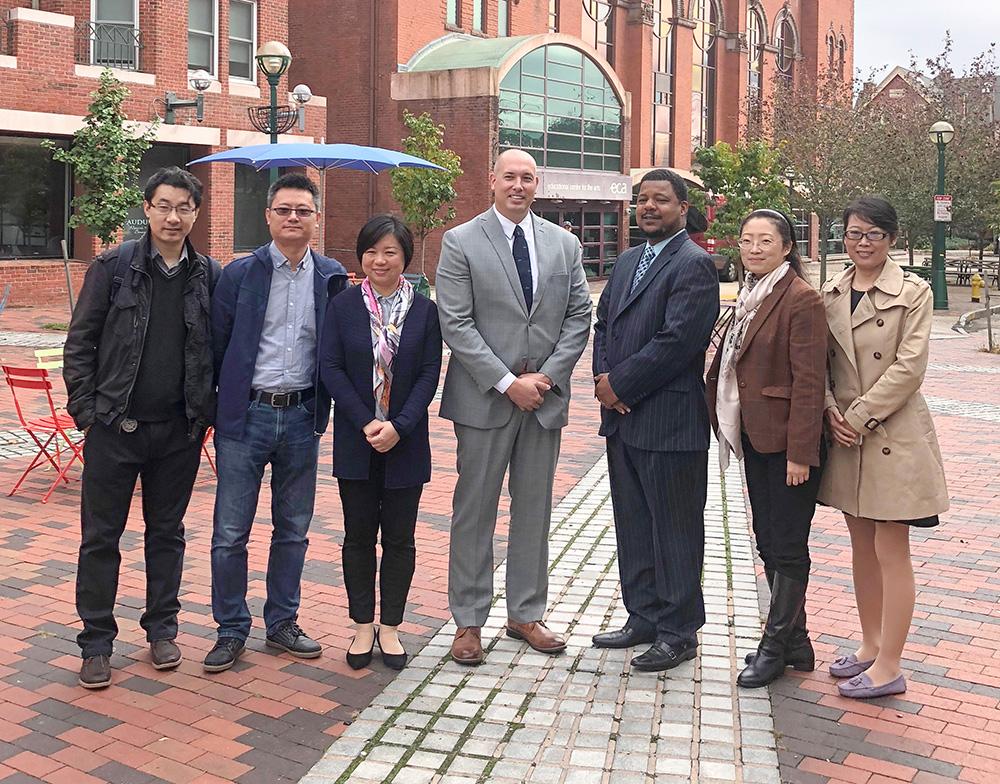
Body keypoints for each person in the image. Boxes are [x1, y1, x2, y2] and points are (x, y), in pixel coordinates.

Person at [63, 167, 219, 689]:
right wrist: (88, 412)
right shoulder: (112, 267)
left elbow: (215, 351)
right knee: (101, 538)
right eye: (164, 206)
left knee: (167, 534)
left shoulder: (208, 275)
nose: (174, 217)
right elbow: (79, 343)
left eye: (184, 208)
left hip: (178, 432)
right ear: (147, 208)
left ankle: (162, 629)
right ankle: (97, 643)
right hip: (115, 428)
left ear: (196, 213)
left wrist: (203, 416)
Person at [436, 149, 592, 666]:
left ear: (536, 183)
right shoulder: (460, 242)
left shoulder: (563, 244)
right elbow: (456, 323)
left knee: (534, 510)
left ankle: (526, 613)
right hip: (484, 401)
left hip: (542, 401)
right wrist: (507, 382)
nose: (519, 185)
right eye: (510, 176)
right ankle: (468, 620)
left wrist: (545, 378)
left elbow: (578, 316)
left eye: (528, 177)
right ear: (492, 180)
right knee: (474, 511)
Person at [204, 172, 348, 672]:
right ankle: (230, 628)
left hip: (303, 416)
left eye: (302, 211)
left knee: (293, 529)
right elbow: (215, 348)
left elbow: (337, 352)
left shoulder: (332, 277)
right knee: (230, 531)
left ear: (315, 218)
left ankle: (283, 622)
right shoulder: (238, 275)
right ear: (268, 216)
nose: (293, 218)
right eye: (284, 209)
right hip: (246, 417)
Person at [819, 196, 948, 699]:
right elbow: (821, 362)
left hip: (891, 434)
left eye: (873, 234)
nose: (862, 243)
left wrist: (857, 416)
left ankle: (890, 664)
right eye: (853, 234)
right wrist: (831, 410)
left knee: (891, 550)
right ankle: (870, 644)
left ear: (891, 238)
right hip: (847, 435)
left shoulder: (913, 292)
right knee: (860, 547)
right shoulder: (830, 291)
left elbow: (909, 367)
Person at [591, 169, 719, 672]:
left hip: (669, 423)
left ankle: (678, 630)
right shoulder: (625, 263)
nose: (648, 208)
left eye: (660, 200)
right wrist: (605, 377)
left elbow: (678, 342)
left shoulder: (694, 264)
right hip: (624, 422)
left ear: (682, 207)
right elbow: (604, 324)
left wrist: (619, 385)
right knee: (635, 525)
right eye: (642, 200)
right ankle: (642, 615)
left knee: (675, 529)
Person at [705, 209, 827, 688]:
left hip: (787, 444)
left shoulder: (801, 299)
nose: (754, 249)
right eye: (747, 240)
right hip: (757, 436)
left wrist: (801, 452)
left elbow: (810, 381)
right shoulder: (751, 295)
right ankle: (797, 642)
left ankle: (774, 646)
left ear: (787, 247)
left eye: (765, 241)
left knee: (788, 545)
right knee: (769, 540)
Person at [320, 215, 442, 670]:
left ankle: (390, 628)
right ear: (362, 256)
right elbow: (330, 367)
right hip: (357, 440)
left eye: (390, 252)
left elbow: (430, 372)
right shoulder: (345, 305)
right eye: (372, 251)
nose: (380, 260)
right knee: (356, 537)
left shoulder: (424, 311)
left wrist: (400, 425)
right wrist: (367, 421)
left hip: (406, 442)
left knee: (400, 539)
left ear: (404, 258)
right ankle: (360, 628)